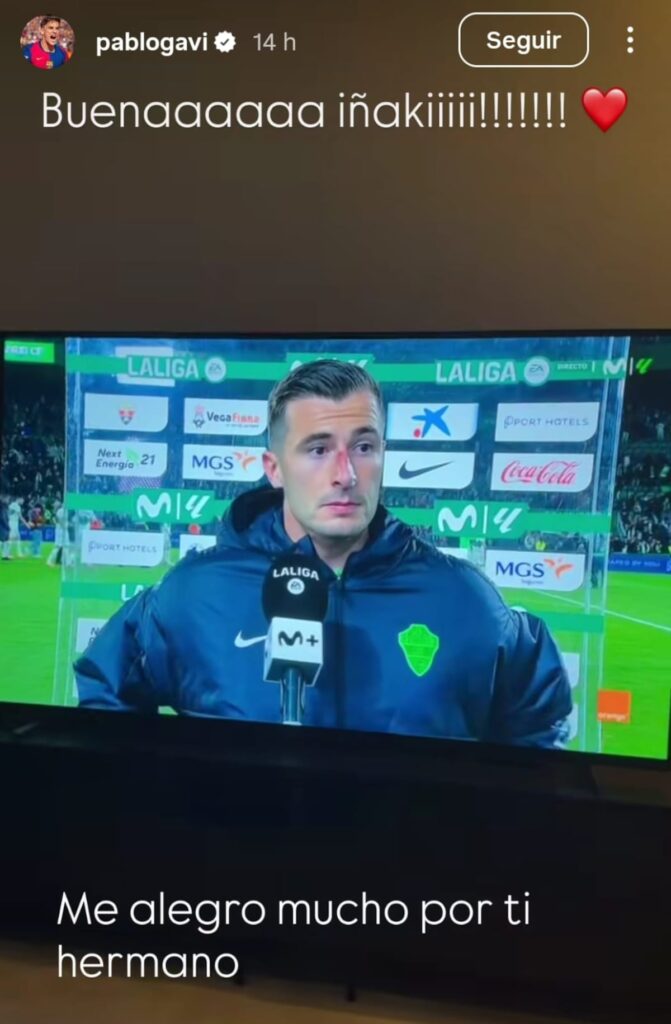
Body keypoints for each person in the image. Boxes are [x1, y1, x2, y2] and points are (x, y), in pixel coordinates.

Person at [75, 361, 572, 747]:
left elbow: (538, 721)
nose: (345, 474)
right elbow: (106, 688)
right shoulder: (196, 592)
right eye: (317, 449)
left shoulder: (463, 600)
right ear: (274, 468)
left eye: (363, 447)